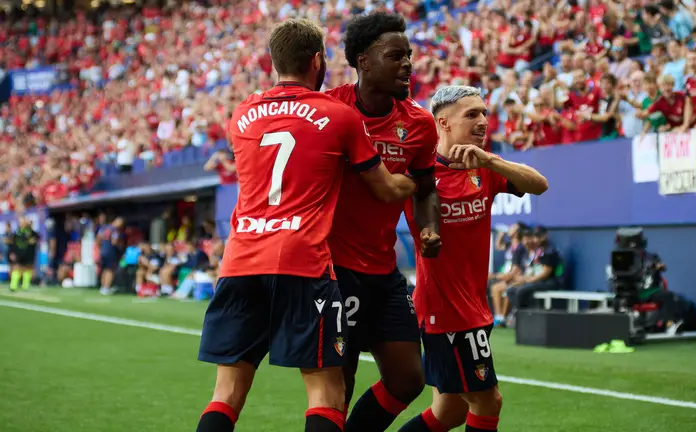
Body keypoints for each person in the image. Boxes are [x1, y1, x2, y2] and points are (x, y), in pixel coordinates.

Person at [195, 19, 417, 432]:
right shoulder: (339, 116)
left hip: (242, 260)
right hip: (303, 261)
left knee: (225, 394)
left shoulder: (242, 115)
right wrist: (413, 179)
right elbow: (387, 190)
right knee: (326, 392)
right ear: (318, 60)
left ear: (274, 61)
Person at [399, 85, 548, 432]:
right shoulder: (418, 175)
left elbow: (540, 185)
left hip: (473, 306)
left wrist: (491, 160)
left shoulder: (484, 166)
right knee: (487, 400)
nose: (482, 121)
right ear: (443, 122)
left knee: (448, 412)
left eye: (484, 113)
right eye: (471, 114)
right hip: (445, 310)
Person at [324, 12, 442, 431]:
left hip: (383, 271)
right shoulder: (329, 110)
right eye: (396, 55)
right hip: (335, 271)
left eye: (409, 55)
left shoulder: (420, 123)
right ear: (363, 61)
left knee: (409, 378)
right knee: (341, 382)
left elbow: (426, 188)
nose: (408, 63)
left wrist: (429, 229)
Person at [8, 217, 39, 292]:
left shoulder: (31, 232)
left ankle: (25, 286)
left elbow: (37, 237)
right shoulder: (17, 232)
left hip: (29, 254)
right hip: (19, 254)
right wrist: (12, 252)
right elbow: (13, 243)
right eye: (21, 222)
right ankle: (13, 286)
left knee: (27, 270)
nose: (22, 224)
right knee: (16, 269)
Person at [97, 217, 125, 296]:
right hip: (110, 251)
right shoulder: (115, 230)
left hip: (103, 250)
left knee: (105, 269)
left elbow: (98, 239)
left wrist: (100, 248)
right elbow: (114, 242)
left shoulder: (104, 228)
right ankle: (106, 287)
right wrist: (120, 246)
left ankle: (103, 287)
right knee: (110, 270)